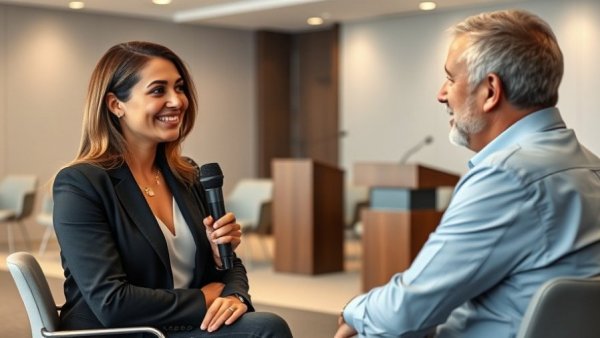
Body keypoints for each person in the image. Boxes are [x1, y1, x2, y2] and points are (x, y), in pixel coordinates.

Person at [335, 9, 600, 338]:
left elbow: (406, 310)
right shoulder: (591, 166)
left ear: (490, 91)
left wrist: (352, 310)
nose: (441, 94)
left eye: (450, 78)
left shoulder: (507, 177)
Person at [52, 41, 292, 337]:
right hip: (119, 332)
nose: (178, 101)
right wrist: (204, 298)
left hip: (179, 326)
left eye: (179, 88)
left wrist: (233, 294)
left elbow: (230, 266)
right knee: (266, 329)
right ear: (116, 105)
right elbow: (111, 302)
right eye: (158, 90)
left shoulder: (187, 175)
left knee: (264, 326)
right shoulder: (80, 183)